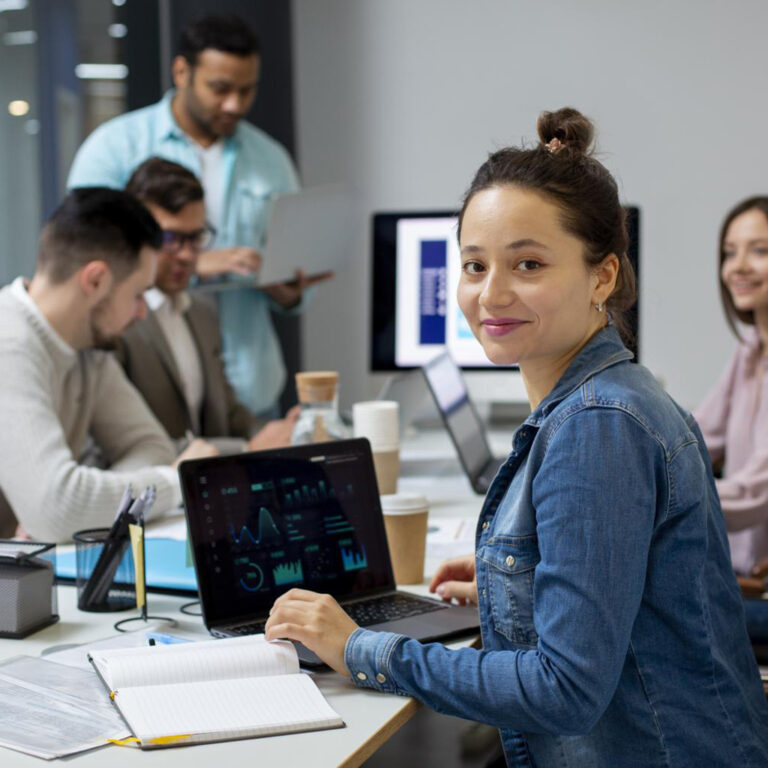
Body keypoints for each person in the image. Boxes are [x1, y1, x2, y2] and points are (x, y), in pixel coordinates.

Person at [265, 109, 768, 766]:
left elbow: (564, 689)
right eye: (474, 267)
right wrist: (524, 580)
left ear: (603, 276)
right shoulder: (610, 396)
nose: (491, 295)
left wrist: (358, 648)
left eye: (527, 264)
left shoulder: (597, 426)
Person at [67, 14, 329, 417]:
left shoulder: (271, 160)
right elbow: (86, 262)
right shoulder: (113, 148)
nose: (234, 104)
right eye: (220, 88)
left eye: (247, 90)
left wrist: (289, 290)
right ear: (181, 71)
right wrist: (192, 262)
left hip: (251, 389)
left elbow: (290, 274)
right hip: (149, 393)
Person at [0, 188, 216, 543]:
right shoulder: (9, 343)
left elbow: (152, 447)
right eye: (138, 294)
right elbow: (58, 509)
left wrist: (88, 501)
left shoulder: (86, 348)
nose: (142, 312)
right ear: (96, 280)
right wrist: (173, 482)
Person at [118, 157, 298, 454]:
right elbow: (125, 447)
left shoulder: (201, 311)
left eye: (196, 238)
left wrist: (279, 433)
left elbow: (227, 413)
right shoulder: (118, 323)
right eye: (171, 238)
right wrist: (245, 448)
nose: (187, 255)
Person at [695, 196, 768, 637]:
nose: (738, 266)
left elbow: (756, 492)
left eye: (760, 250)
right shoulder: (750, 351)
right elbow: (693, 436)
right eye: (729, 252)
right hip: (740, 573)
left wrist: (653, 505)